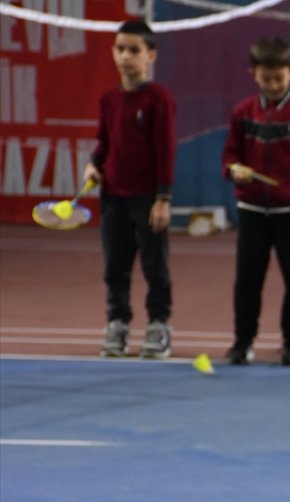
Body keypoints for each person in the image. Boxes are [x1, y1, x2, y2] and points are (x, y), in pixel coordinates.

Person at [221, 37, 290, 366]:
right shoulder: (242, 113)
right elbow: (230, 155)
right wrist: (233, 170)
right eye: (265, 78)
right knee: (247, 281)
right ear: (253, 73)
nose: (272, 85)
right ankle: (242, 342)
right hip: (253, 212)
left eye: (278, 78)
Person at [86, 21, 176, 360]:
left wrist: (163, 198)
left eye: (134, 50)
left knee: (155, 266)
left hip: (148, 199)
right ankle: (118, 324)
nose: (126, 56)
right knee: (115, 267)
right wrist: (94, 164)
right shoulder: (109, 99)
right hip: (113, 198)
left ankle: (158, 325)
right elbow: (104, 141)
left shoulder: (160, 99)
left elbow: (165, 149)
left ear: (150, 55)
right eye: (120, 49)